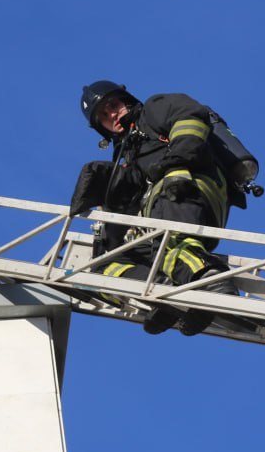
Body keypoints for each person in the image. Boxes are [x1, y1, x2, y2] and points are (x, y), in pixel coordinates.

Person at [70, 80, 241, 335]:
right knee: (107, 268)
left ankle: (212, 279)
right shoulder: (129, 151)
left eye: (113, 106)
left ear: (126, 100)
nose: (112, 115)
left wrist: (175, 167)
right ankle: (168, 295)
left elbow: (190, 120)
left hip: (188, 187)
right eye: (103, 117)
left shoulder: (154, 109)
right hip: (161, 202)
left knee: (170, 242)